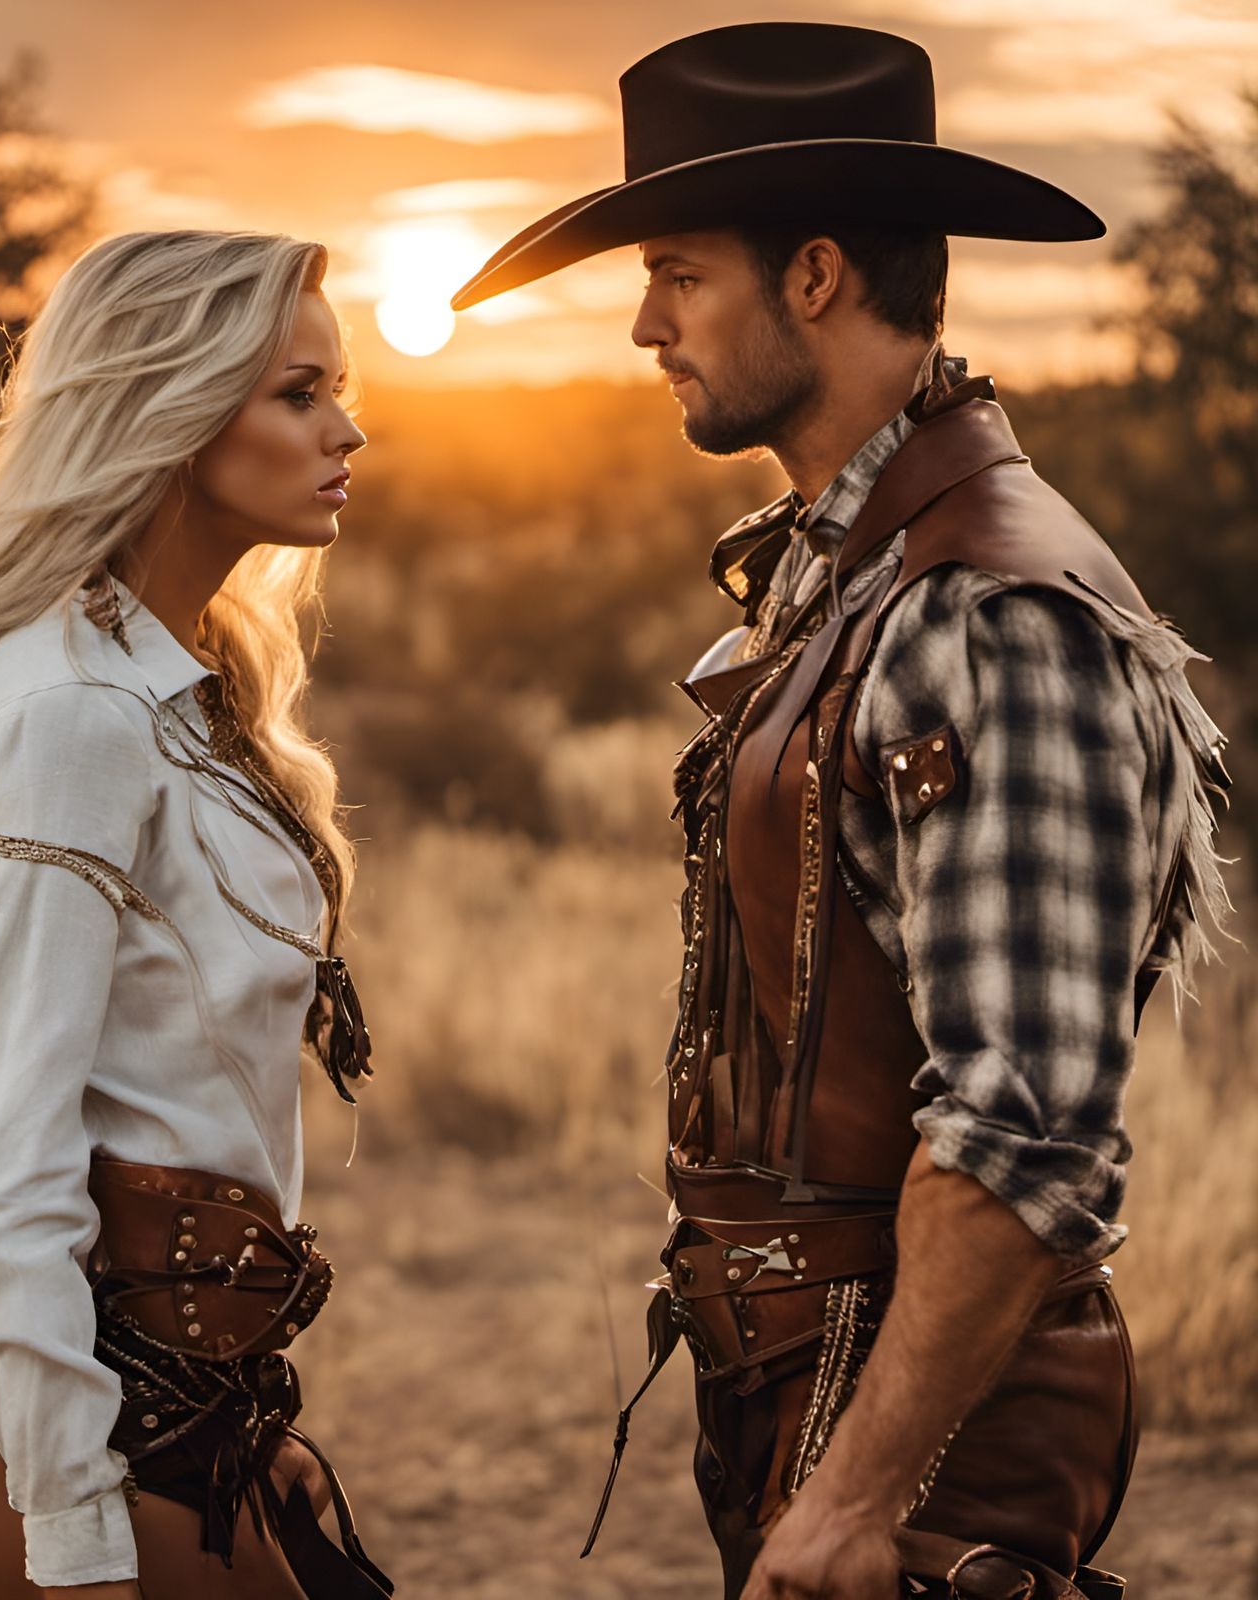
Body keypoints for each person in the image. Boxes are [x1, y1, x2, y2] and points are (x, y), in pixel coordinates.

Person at [453, 23, 1230, 1600]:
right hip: (825, 1382)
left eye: (677, 274)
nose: (640, 325)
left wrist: (861, 1494)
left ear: (813, 278)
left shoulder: (986, 615)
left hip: (925, 1431)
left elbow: (1025, 1125)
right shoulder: (851, 566)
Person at [0, 230, 391, 1600]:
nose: (348, 429)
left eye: (339, 388)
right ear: (167, 408)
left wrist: (243, 1420)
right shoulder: (73, 717)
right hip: (14, 1439)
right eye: (299, 392)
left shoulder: (184, 693)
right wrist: (74, 1526)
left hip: (175, 1404)